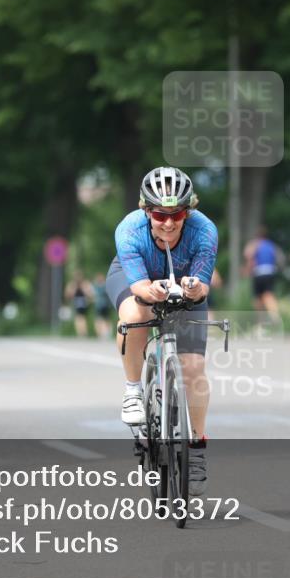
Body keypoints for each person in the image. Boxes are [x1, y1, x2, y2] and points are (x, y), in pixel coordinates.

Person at [105, 167, 217, 495]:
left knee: (194, 367)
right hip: (136, 279)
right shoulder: (129, 230)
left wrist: (194, 290)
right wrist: (151, 291)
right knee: (135, 313)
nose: (168, 222)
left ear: (189, 211)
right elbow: (139, 287)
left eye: (177, 214)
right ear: (145, 210)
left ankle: (195, 449)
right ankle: (133, 390)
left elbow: (203, 288)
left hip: (182, 284)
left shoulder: (204, 230)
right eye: (159, 214)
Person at [243, 225, 282, 318]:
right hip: (270, 272)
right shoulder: (271, 245)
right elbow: (279, 258)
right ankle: (275, 317)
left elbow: (248, 256)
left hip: (259, 273)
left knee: (258, 299)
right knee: (269, 295)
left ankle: (260, 322)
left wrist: (247, 270)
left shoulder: (255, 244)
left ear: (257, 236)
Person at [64, 270, 95, 337]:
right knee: (79, 317)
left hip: (83, 302)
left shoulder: (85, 284)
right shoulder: (72, 284)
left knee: (80, 317)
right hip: (76, 302)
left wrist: (86, 292)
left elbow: (90, 294)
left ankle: (82, 332)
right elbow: (68, 294)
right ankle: (81, 332)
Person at [92, 273, 112, 339]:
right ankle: (104, 333)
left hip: (100, 305)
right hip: (104, 305)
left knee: (100, 319)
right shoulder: (105, 286)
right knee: (104, 319)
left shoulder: (96, 286)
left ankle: (101, 333)